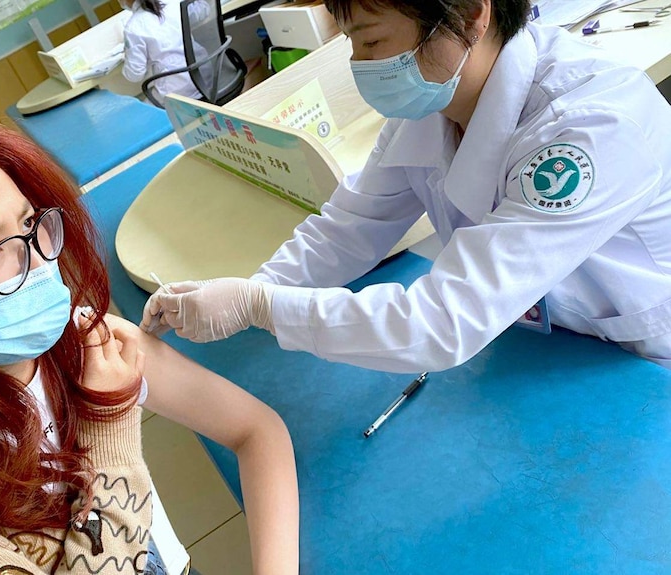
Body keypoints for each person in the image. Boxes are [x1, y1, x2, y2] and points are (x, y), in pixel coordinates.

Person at [0, 117, 299, 574]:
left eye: (28, 224)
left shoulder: (83, 346)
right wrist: (109, 421)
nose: (40, 266)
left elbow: (257, 431)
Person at [141, 0, 671, 371]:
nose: (360, 65)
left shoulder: (590, 129)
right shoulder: (432, 99)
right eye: (350, 42)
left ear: (467, 17)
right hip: (549, 336)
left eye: (371, 40)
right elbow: (350, 227)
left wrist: (261, 307)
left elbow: (444, 321)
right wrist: (255, 289)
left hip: (641, 350)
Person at [121, 0, 206, 105]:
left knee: (140, 113)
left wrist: (127, 54)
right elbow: (203, 12)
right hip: (207, 78)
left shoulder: (133, 27)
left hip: (179, 93)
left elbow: (135, 75)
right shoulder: (175, 3)